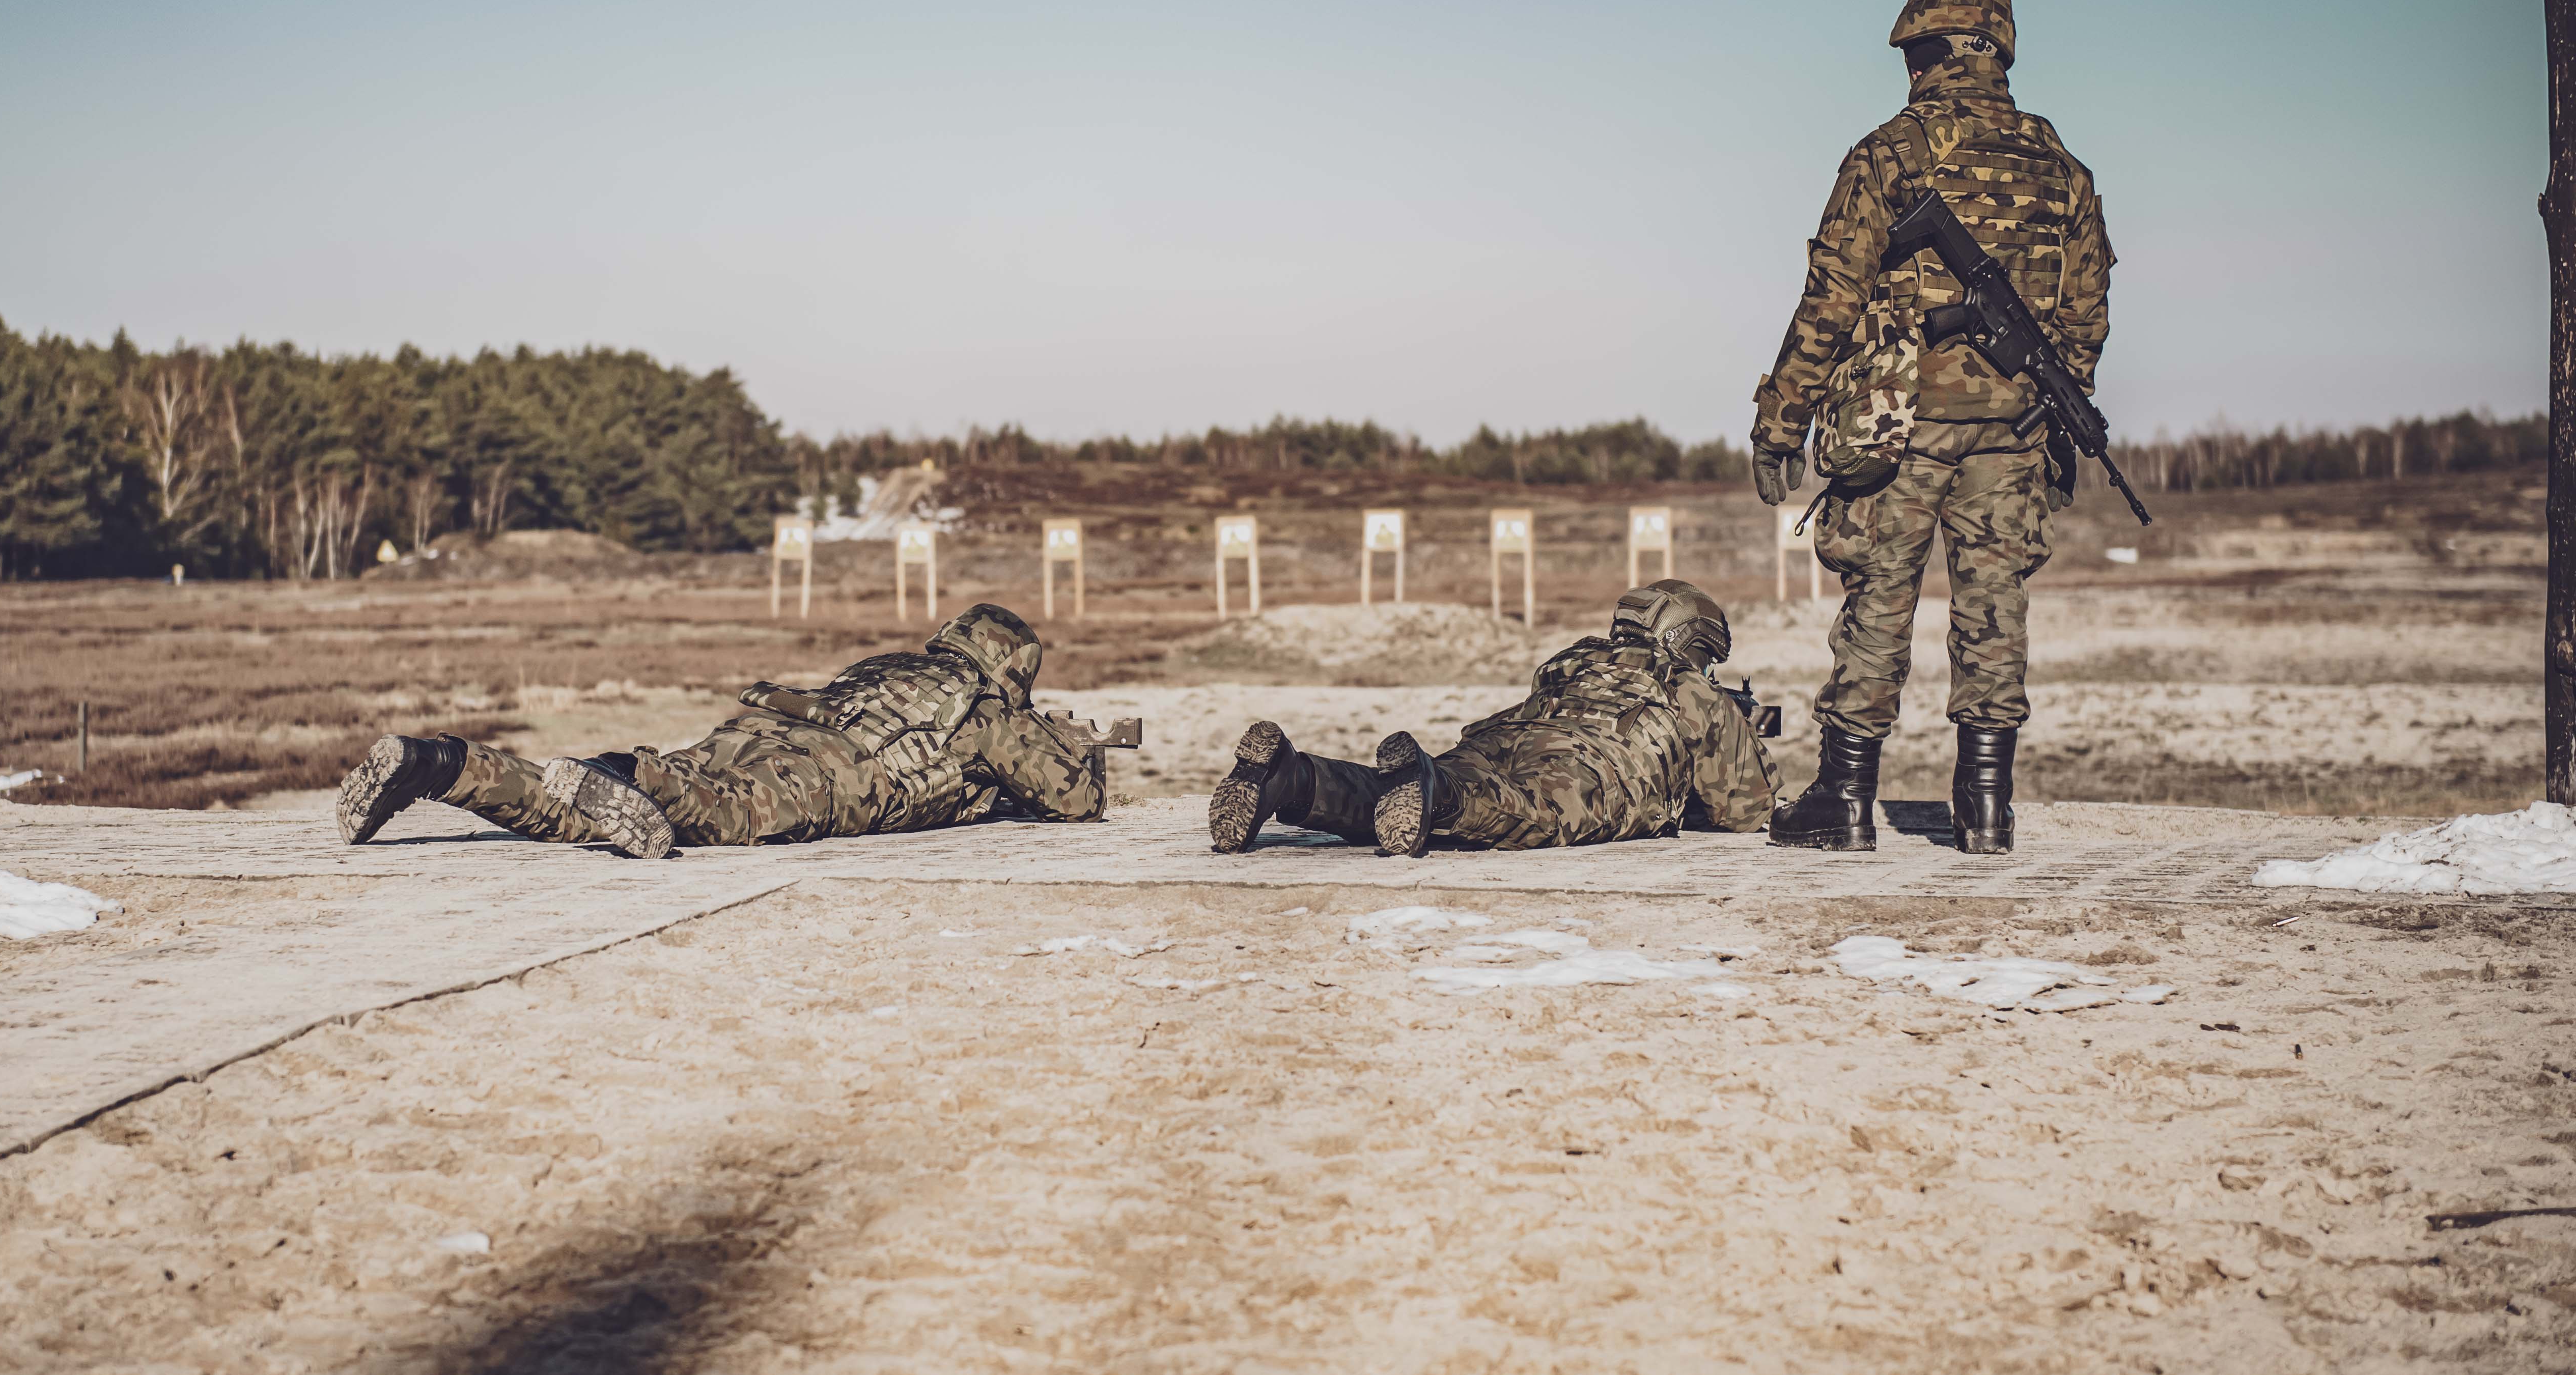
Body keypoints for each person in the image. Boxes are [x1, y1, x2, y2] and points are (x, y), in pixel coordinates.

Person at [1748, 0, 2114, 856]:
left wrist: (1780, 417)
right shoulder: (2060, 167)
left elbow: (1830, 297)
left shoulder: (1889, 154)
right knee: (1995, 611)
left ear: (1931, 51)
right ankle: (1986, 808)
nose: (1910, 66)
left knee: (1878, 601)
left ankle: (1844, 800)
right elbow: (2087, 306)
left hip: (1897, 421)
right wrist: (2062, 406)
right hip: (2012, 428)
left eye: (1916, 51)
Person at [334, 602, 1104, 855]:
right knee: (708, 815)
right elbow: (1071, 803)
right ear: (1014, 669)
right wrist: (1080, 748)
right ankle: (624, 773)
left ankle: (440, 764)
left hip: (757, 733)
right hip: (827, 776)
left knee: (598, 819)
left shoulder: (891, 665)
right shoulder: (990, 711)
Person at [1206, 580, 1777, 857]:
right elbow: (1744, 811)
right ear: (1690, 640)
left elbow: (1545, 701)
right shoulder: (1691, 690)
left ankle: (1294, 776)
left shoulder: (1577, 656)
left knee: (1397, 789)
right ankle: (1439, 790)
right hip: (1596, 760)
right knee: (1532, 813)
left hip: (1509, 732)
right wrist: (1744, 738)